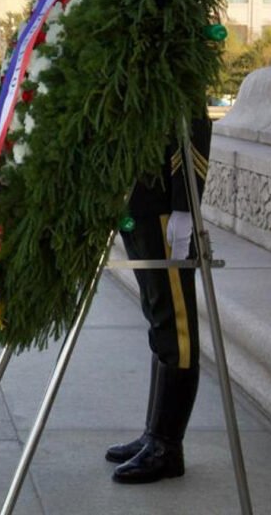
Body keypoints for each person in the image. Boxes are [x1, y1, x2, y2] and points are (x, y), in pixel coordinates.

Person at [109, 112, 211, 484]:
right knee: (157, 314)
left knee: (175, 322)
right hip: (137, 197)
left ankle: (168, 445)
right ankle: (154, 432)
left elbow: (194, 121)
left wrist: (186, 201)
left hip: (164, 200)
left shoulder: (173, 49)